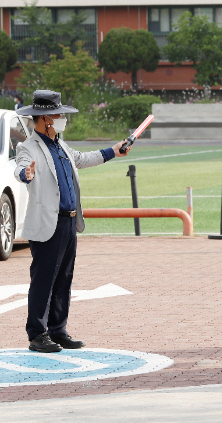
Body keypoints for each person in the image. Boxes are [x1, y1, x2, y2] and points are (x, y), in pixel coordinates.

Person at [13, 90, 131, 353]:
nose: (62, 119)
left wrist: (113, 151)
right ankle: (37, 334)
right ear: (45, 119)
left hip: (69, 222)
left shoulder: (61, 145)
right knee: (43, 279)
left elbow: (83, 159)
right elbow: (21, 167)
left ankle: (58, 329)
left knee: (64, 278)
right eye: (58, 115)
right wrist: (25, 173)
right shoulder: (28, 147)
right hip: (48, 224)